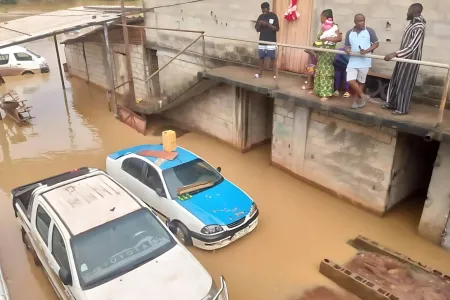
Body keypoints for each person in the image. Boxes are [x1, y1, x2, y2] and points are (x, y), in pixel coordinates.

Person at [382, 3, 426, 115]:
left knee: (405, 83)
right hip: (402, 58)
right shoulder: (411, 24)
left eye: (408, 10)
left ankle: (402, 108)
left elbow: (412, 47)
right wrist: (398, 55)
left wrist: (395, 54)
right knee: (396, 80)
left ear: (412, 11)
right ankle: (392, 103)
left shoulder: (419, 26)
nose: (407, 13)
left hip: (410, 60)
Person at [344, 14, 379, 109]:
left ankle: (356, 101)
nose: (362, 22)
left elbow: (376, 44)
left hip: (365, 61)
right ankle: (363, 96)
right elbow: (346, 46)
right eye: (360, 21)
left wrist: (367, 51)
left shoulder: (369, 31)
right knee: (350, 80)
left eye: (363, 20)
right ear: (355, 22)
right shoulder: (349, 33)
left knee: (360, 82)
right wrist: (347, 50)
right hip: (353, 60)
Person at [313, 9, 342, 102]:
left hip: (328, 51)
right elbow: (319, 38)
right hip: (321, 50)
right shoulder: (323, 27)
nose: (320, 19)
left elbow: (339, 38)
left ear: (325, 17)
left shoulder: (334, 27)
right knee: (319, 69)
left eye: (321, 17)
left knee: (326, 71)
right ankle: (318, 90)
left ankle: (326, 93)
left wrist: (327, 38)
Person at [254, 2, 279, 79]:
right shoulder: (261, 17)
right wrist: (260, 24)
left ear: (268, 8)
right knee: (261, 57)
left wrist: (267, 24)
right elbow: (257, 29)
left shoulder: (274, 16)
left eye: (265, 9)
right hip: (262, 40)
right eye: (262, 9)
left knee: (272, 58)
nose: (264, 11)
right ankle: (259, 73)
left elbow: (277, 28)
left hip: (271, 41)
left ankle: (275, 74)